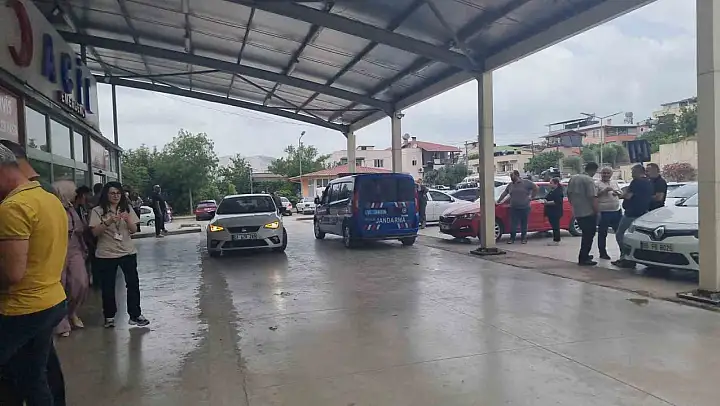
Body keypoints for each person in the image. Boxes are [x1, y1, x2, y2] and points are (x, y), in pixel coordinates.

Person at [0, 143, 68, 405]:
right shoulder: (48, 199)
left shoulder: (13, 207)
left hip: (21, 308)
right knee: (33, 377)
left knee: (25, 377)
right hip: (51, 300)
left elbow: (12, 273)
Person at [89, 182, 150, 328]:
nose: (116, 196)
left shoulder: (127, 208)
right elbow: (94, 232)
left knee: (133, 284)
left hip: (127, 251)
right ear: (106, 194)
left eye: (118, 193)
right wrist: (108, 221)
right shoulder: (97, 211)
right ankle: (109, 316)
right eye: (112, 193)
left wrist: (128, 220)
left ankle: (135, 315)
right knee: (108, 286)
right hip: (106, 254)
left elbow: (134, 230)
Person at [51, 181, 90, 338]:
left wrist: (84, 247)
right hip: (57, 248)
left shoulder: (73, 208)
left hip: (75, 248)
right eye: (72, 191)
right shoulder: (53, 207)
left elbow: (80, 229)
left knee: (80, 282)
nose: (75, 194)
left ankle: (72, 312)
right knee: (60, 284)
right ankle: (61, 322)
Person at [612, 164, 654, 268]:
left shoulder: (636, 182)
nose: (631, 174)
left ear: (638, 172)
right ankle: (634, 257)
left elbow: (629, 196)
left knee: (620, 234)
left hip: (631, 213)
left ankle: (625, 258)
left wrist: (618, 195)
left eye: (632, 172)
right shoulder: (649, 182)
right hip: (643, 212)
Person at [567, 162, 599, 266]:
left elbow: (568, 194)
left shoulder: (573, 178)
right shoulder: (589, 180)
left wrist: (574, 205)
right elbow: (592, 197)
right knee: (589, 235)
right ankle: (584, 258)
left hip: (577, 211)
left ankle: (585, 255)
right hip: (588, 212)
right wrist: (597, 211)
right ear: (594, 170)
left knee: (585, 234)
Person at [496, 170, 538, 244]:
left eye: (512, 175)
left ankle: (523, 238)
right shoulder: (510, 185)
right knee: (513, 224)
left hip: (525, 207)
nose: (511, 177)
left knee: (524, 224)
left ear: (517, 175)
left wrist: (532, 197)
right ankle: (512, 238)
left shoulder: (526, 182)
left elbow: (536, 188)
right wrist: (498, 201)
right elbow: (504, 193)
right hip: (514, 208)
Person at [595, 167, 623, 260]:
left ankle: (623, 252)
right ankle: (602, 253)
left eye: (608, 173)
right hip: (604, 212)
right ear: (601, 174)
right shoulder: (597, 184)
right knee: (602, 233)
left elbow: (621, 193)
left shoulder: (614, 182)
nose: (606, 175)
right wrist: (604, 191)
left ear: (611, 174)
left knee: (619, 232)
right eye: (604, 173)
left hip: (616, 210)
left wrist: (617, 193)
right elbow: (595, 196)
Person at [543, 178, 564, 245]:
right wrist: (545, 200)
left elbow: (557, 202)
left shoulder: (558, 191)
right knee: (554, 226)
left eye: (551, 183)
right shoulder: (552, 191)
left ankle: (556, 240)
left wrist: (547, 203)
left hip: (555, 212)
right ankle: (555, 239)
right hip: (551, 212)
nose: (549, 184)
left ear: (556, 184)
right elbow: (547, 197)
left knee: (556, 226)